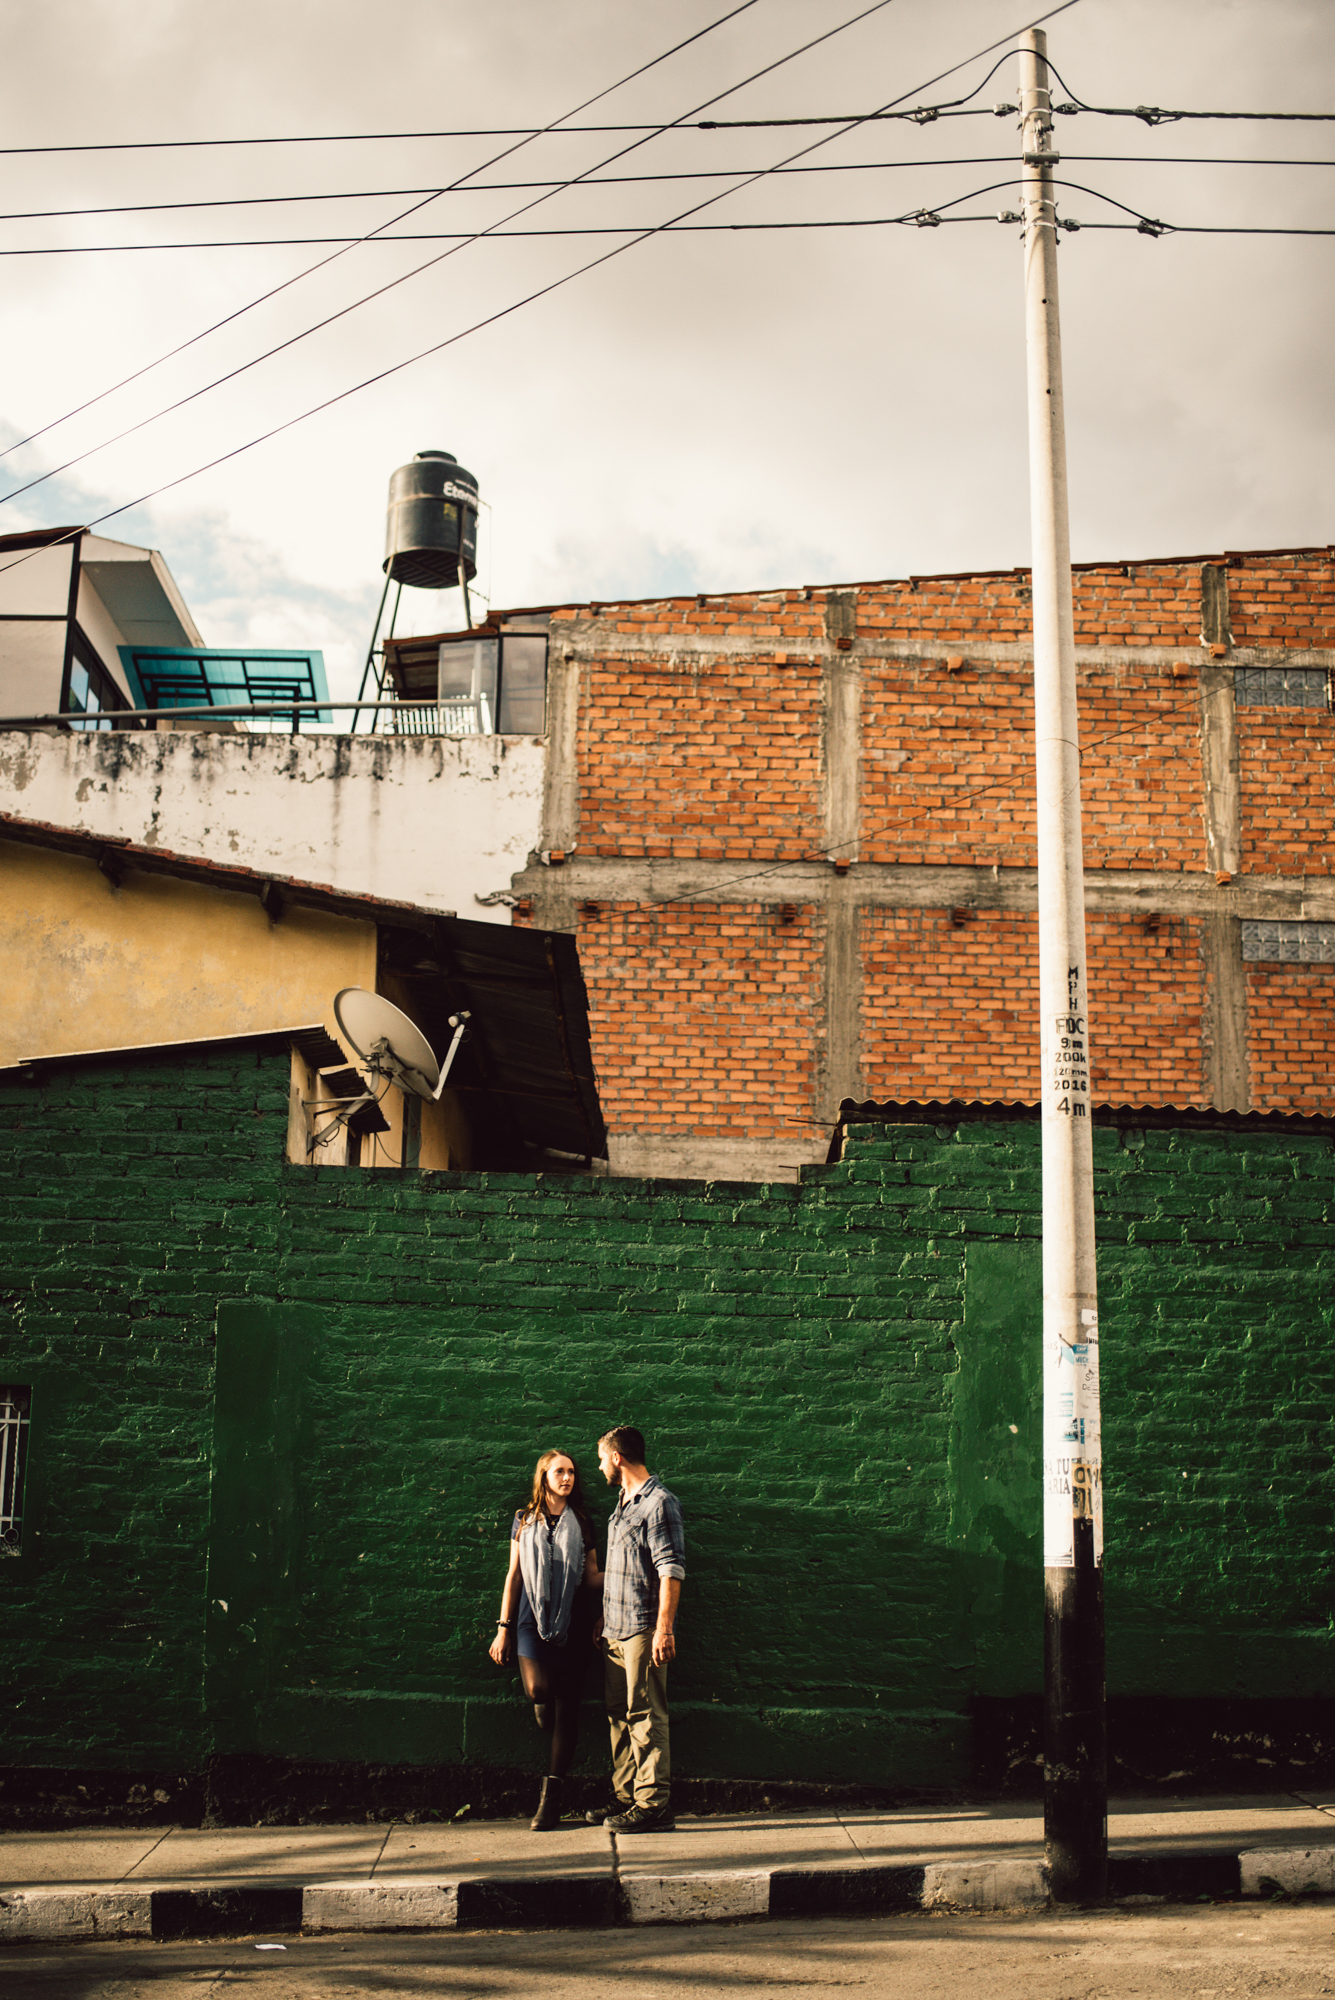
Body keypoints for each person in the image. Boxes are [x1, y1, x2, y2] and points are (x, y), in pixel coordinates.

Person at [489, 1449, 602, 1830]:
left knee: (568, 1708)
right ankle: (542, 1703)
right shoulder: (524, 1520)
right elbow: (514, 1576)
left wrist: (622, 1571)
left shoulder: (582, 1523)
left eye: (571, 1472)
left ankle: (550, 1800)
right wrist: (503, 1627)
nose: (567, 1478)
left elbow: (590, 1578)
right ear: (544, 1477)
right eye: (559, 1471)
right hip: (528, 1619)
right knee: (539, 1690)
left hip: (572, 1621)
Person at [596, 1424, 685, 1834]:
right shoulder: (622, 1502)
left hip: (643, 1629)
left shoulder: (659, 1503)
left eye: (601, 1459)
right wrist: (602, 1620)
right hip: (614, 1628)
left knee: (645, 1714)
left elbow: (670, 1570)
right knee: (619, 1714)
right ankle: (626, 1794)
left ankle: (653, 1804)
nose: (599, 1467)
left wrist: (664, 1631)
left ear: (617, 1457)